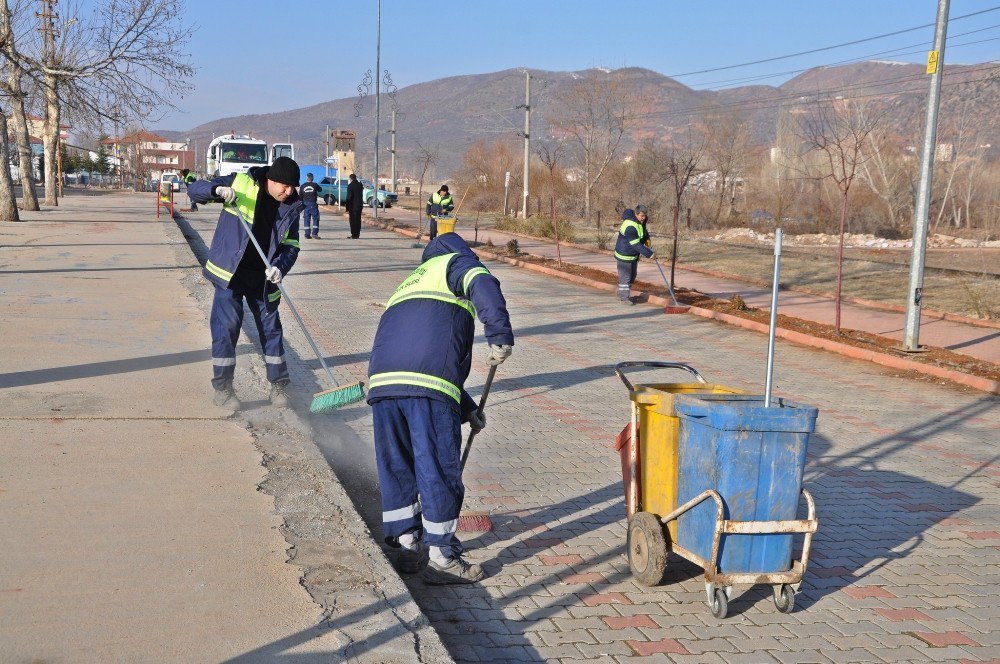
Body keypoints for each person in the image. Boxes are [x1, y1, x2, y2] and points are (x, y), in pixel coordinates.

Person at [367, 232, 514, 584]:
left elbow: (420, 352)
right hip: (427, 389)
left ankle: (407, 543)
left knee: (398, 466)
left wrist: (465, 408)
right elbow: (483, 283)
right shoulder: (456, 263)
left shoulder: (408, 283)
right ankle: (441, 556)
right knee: (436, 469)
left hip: (384, 386)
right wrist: (499, 334)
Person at [187, 156, 303, 410]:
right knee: (226, 328)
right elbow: (194, 190)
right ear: (271, 180)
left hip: (264, 278)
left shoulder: (292, 205)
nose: (289, 191)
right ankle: (224, 389)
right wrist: (216, 190)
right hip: (231, 273)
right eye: (284, 186)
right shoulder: (240, 183)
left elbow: (291, 247)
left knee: (271, 331)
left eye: (293, 187)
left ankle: (279, 386)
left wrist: (280, 268)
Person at [614, 204, 654, 305]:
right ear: (636, 214)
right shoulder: (630, 226)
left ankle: (621, 292)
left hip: (633, 254)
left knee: (632, 275)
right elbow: (636, 244)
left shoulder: (640, 220)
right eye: (642, 216)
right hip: (624, 254)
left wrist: (647, 239)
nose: (644, 218)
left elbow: (643, 231)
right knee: (625, 277)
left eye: (645, 216)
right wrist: (649, 254)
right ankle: (624, 298)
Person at [299, 173, 322, 239]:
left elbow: (300, 196)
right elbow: (320, 189)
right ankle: (314, 233)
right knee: (316, 218)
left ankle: (307, 234)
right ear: (313, 178)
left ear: (306, 178)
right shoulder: (315, 185)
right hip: (313, 204)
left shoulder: (302, 186)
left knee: (306, 219)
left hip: (305, 204)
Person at [345, 173, 364, 239]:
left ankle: (354, 234)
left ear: (350, 179)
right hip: (359, 205)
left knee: (353, 220)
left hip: (352, 206)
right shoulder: (360, 185)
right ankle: (357, 234)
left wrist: (347, 208)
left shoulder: (350, 186)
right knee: (358, 220)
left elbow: (348, 197)